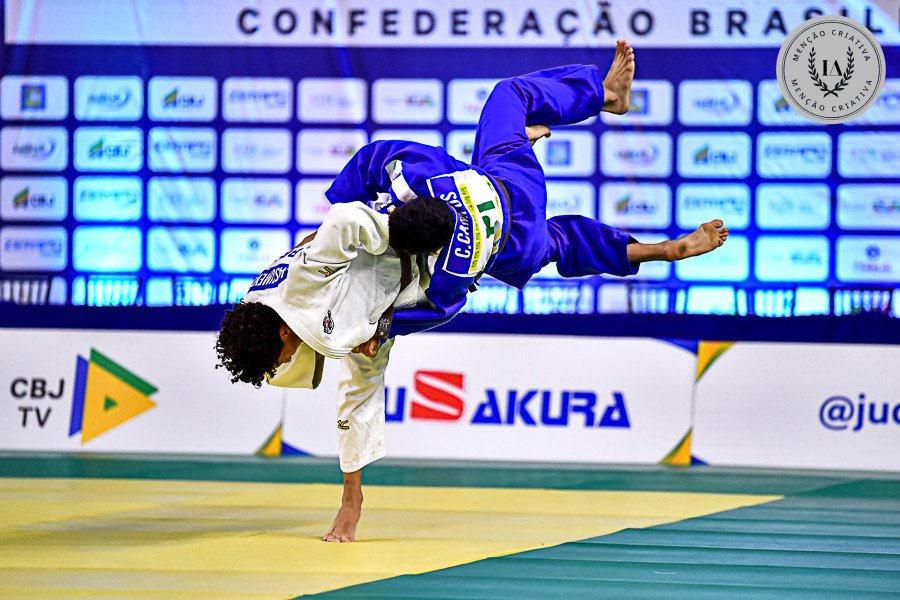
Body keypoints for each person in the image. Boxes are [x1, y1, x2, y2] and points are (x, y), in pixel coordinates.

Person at [216, 40, 729, 543]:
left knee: (556, 243)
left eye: (281, 355)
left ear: (280, 329)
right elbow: (359, 202)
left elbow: (433, 310)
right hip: (486, 182)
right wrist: (350, 220)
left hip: (505, 230)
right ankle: (601, 100)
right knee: (509, 97)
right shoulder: (285, 283)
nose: (287, 360)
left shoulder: (403, 287)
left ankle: (652, 248)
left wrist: (386, 321)